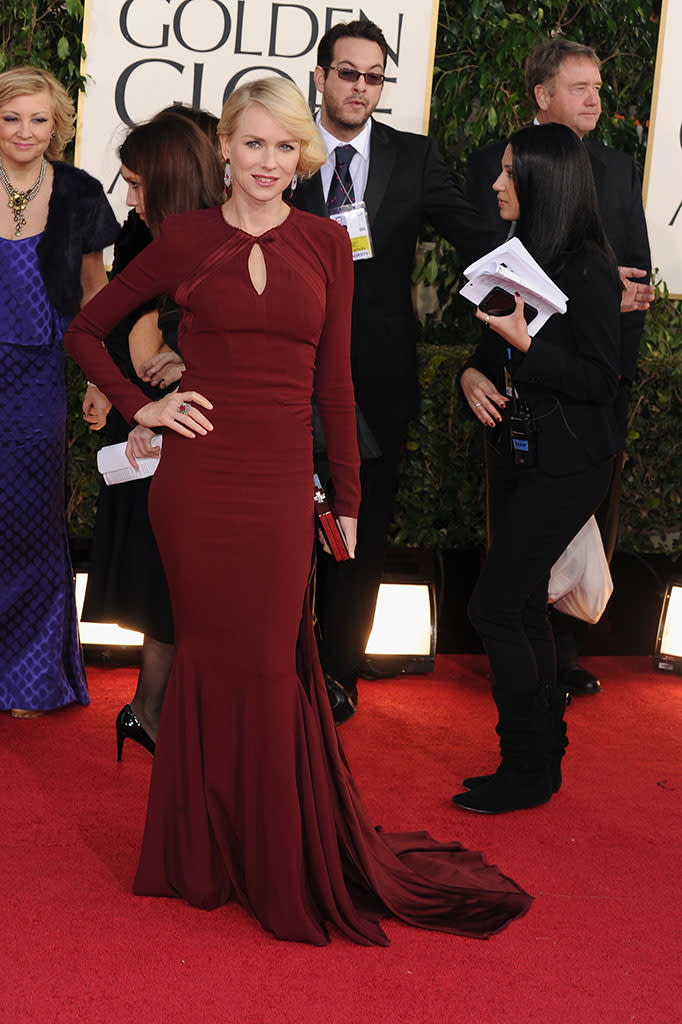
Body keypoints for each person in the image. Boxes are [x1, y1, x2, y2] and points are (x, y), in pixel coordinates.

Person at [65, 76, 530, 944]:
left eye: (286, 148)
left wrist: (346, 498)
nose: (269, 162)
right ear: (226, 150)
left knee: (272, 669)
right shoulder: (182, 238)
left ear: (300, 156)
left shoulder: (324, 243)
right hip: (198, 485)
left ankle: (273, 853)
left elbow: (336, 381)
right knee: (205, 662)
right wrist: (144, 406)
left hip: (282, 485)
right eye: (253, 145)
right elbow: (86, 330)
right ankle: (196, 852)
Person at [291, 20, 495, 722]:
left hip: (377, 381)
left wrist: (569, 272)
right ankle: (276, 672)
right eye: (347, 73)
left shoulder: (414, 158)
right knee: (280, 531)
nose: (360, 88)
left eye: (373, 76)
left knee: (360, 533)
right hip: (282, 375)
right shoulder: (280, 150)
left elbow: (479, 242)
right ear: (320, 76)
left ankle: (337, 676)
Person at [465, 38, 653, 696]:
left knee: (519, 588)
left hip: (577, 424)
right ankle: (533, 740)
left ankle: (536, 732)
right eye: (580, 87)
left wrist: (613, 319)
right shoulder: (500, 186)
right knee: (513, 588)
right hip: (521, 416)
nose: (596, 98)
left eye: (598, 86)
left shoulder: (612, 184)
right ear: (542, 96)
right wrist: (476, 367)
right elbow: (488, 299)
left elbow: (620, 293)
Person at [453, 123, 622, 814]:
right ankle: (539, 760)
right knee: (518, 602)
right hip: (527, 452)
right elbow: (490, 349)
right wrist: (470, 373)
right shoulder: (521, 257)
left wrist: (528, 346)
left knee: (493, 606)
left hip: (572, 461)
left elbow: (602, 377)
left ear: (545, 182)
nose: (496, 184)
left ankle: (527, 762)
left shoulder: (587, 268)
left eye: (510, 172)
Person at [80, 109, 224, 759]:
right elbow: (131, 344)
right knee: (171, 580)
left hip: (214, 426)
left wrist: (195, 361)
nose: (127, 200)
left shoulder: (241, 230)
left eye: (135, 184)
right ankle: (152, 711)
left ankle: (161, 712)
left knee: (193, 584)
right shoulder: (146, 236)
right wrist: (143, 405)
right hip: (168, 423)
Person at [0, 66, 118, 718]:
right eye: (12, 117)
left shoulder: (76, 192)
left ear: (58, 126)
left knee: (28, 527)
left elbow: (97, 296)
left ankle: (27, 676)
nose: (24, 131)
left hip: (37, 380)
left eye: (38, 119)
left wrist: (102, 382)